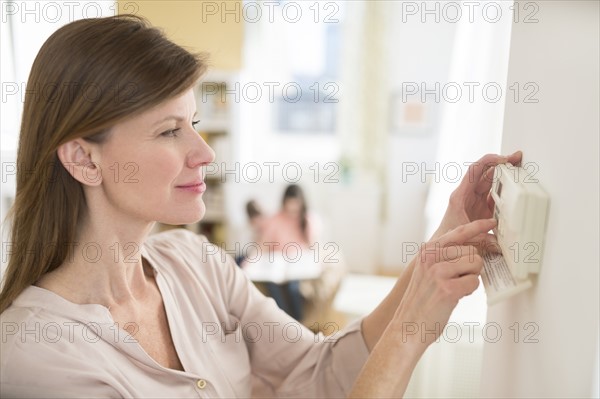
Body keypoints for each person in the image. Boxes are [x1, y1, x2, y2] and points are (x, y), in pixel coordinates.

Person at [0, 15, 521, 398]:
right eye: (168, 131)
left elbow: (321, 372)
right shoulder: (35, 357)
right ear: (83, 160)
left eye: (195, 124)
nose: (203, 154)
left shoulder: (196, 263)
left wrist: (446, 235)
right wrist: (411, 330)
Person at [258, 184, 317, 321]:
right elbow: (264, 244)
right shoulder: (275, 219)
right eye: (289, 207)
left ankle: (298, 325)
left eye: (296, 208)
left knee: (293, 288)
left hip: (297, 265)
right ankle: (284, 323)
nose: (292, 212)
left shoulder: (307, 220)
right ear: (284, 204)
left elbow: (312, 246)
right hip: (277, 264)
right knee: (273, 285)